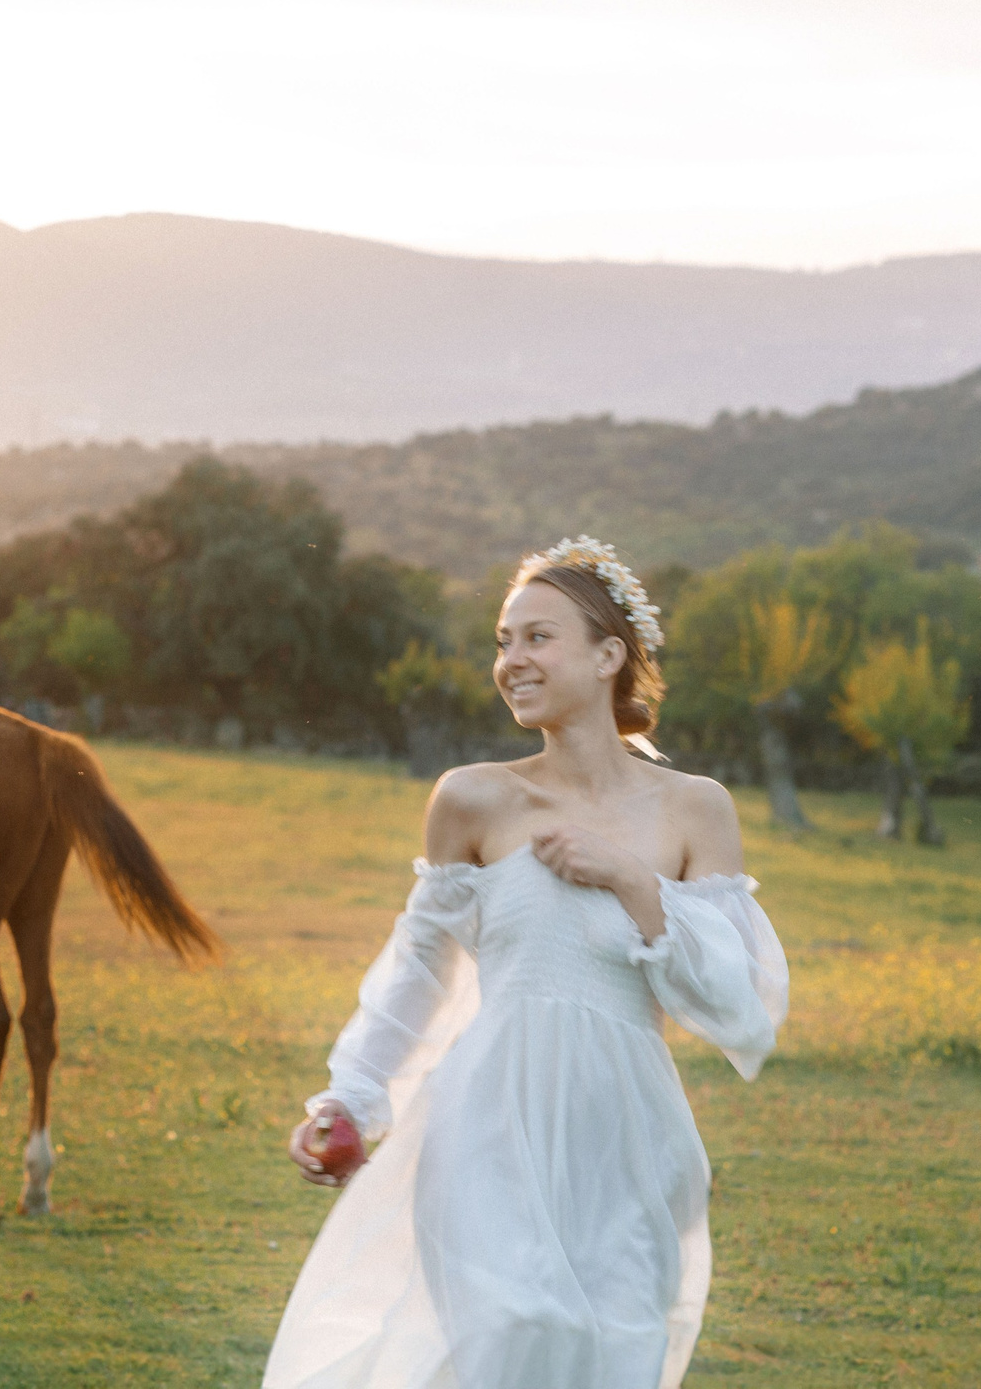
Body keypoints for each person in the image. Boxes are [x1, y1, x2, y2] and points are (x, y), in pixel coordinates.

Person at [264, 537, 788, 1389]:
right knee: (513, 1328)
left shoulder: (695, 808)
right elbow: (420, 966)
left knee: (613, 1351)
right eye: (503, 641)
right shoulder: (473, 797)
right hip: (487, 1119)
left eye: (537, 637)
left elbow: (739, 1007)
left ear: (608, 654)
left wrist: (629, 880)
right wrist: (353, 1097)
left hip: (628, 1131)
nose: (511, 661)